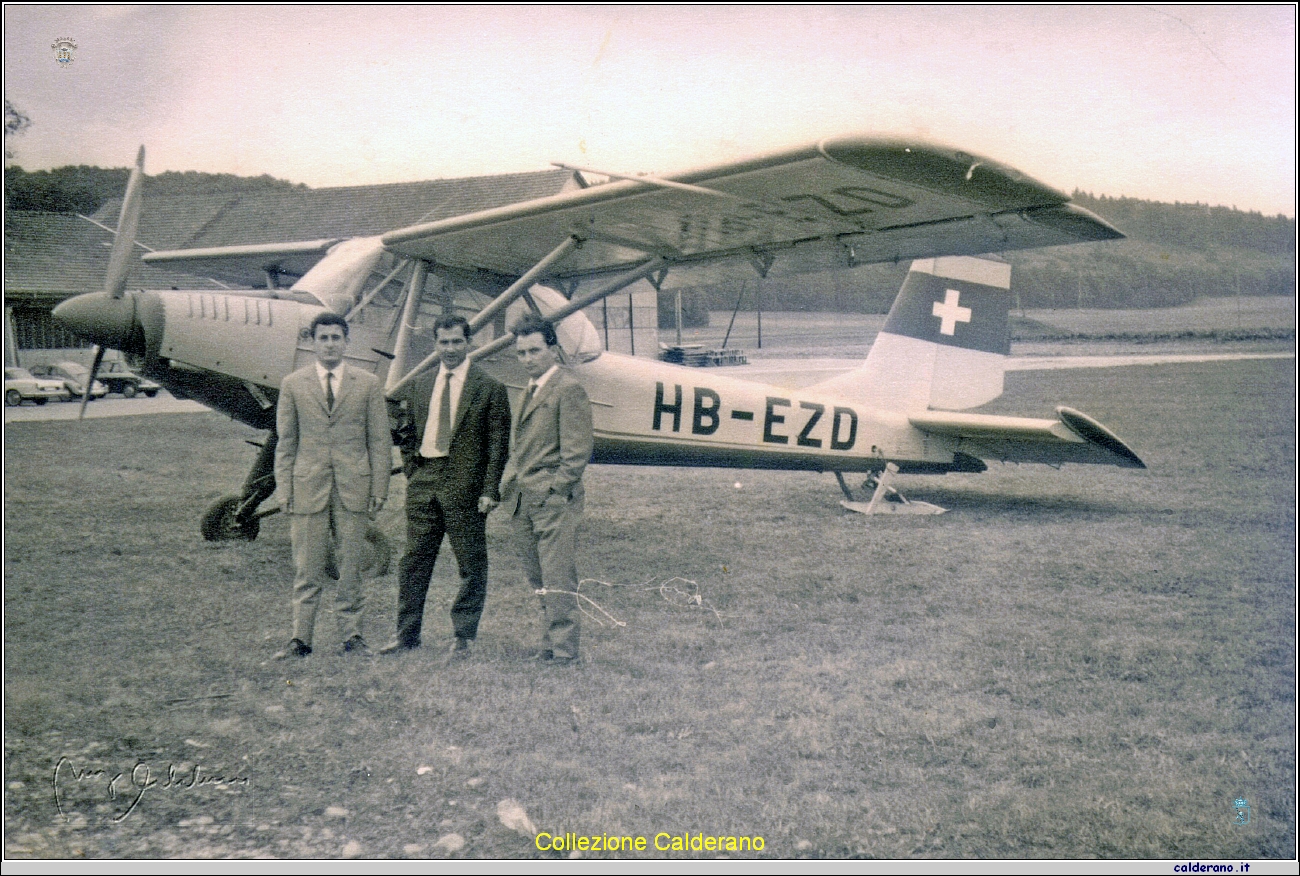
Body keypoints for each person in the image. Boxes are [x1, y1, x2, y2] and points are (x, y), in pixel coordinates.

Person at [381, 315, 511, 658]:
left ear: (468, 342)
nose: (450, 349)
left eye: (457, 342)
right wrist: (413, 468)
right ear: (435, 344)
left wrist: (489, 489)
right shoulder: (420, 384)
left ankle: (463, 637)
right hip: (424, 480)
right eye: (444, 342)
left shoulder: (489, 388)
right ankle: (406, 635)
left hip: (466, 486)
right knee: (413, 562)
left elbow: (498, 443)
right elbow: (406, 432)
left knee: (470, 562)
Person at [272, 311, 391, 658]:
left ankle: (352, 637)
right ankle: (300, 640)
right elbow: (286, 442)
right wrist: (284, 488)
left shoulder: (367, 384)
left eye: (336, 337)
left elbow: (379, 441)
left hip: (354, 487)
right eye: (323, 338)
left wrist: (379, 488)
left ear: (346, 342)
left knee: (351, 566)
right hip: (308, 486)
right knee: (307, 567)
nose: (329, 344)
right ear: (312, 342)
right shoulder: (293, 384)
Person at [499, 314, 594, 665]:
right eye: (521, 353)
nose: (528, 359)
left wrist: (557, 492)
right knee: (538, 577)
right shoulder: (530, 389)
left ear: (552, 349)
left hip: (552, 500)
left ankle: (565, 652)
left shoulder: (567, 389)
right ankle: (549, 645)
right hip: (523, 499)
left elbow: (576, 451)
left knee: (557, 578)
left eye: (534, 351)